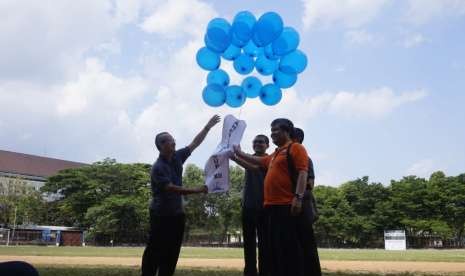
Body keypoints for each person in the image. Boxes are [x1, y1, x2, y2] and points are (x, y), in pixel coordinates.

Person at [141, 115, 221, 276]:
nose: (174, 142)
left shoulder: (177, 157)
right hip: (160, 214)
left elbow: (195, 143)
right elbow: (171, 188)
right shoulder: (158, 167)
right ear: (162, 145)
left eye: (173, 139)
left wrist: (208, 126)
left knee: (173, 249)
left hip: (177, 214)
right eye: (170, 140)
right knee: (155, 248)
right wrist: (197, 190)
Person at [233, 118, 309, 276]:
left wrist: (298, 197)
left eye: (276, 130)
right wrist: (237, 154)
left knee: (278, 246)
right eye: (271, 130)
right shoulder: (275, 155)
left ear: (287, 131)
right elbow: (257, 161)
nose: (273, 133)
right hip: (265, 207)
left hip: (282, 206)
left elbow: (303, 172)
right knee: (269, 245)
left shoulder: (295, 148)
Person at [231, 134, 270, 276]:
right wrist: (235, 152)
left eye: (261, 142)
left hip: (264, 207)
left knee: (265, 243)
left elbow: (253, 167)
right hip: (248, 206)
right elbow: (246, 160)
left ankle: (265, 271)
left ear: (267, 145)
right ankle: (250, 271)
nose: (258, 144)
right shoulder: (249, 157)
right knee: (248, 242)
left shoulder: (268, 160)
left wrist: (235, 157)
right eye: (255, 142)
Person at [292, 127, 322, 276]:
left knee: (306, 244)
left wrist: (296, 191)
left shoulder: (304, 158)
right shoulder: (286, 156)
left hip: (302, 206)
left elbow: (310, 183)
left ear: (295, 139)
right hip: (291, 205)